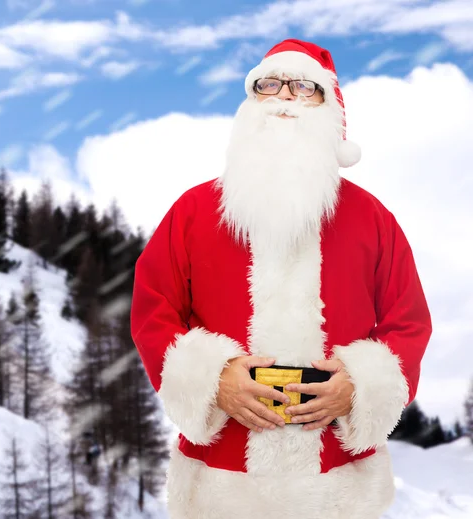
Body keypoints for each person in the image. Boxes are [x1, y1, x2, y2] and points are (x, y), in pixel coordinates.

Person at [130, 38, 432, 519]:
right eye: (269, 85)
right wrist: (213, 377)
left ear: (330, 111)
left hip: (338, 485)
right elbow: (153, 310)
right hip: (220, 485)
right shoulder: (192, 212)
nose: (286, 97)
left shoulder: (373, 219)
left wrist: (358, 386)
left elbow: (408, 321)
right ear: (250, 106)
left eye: (305, 87)